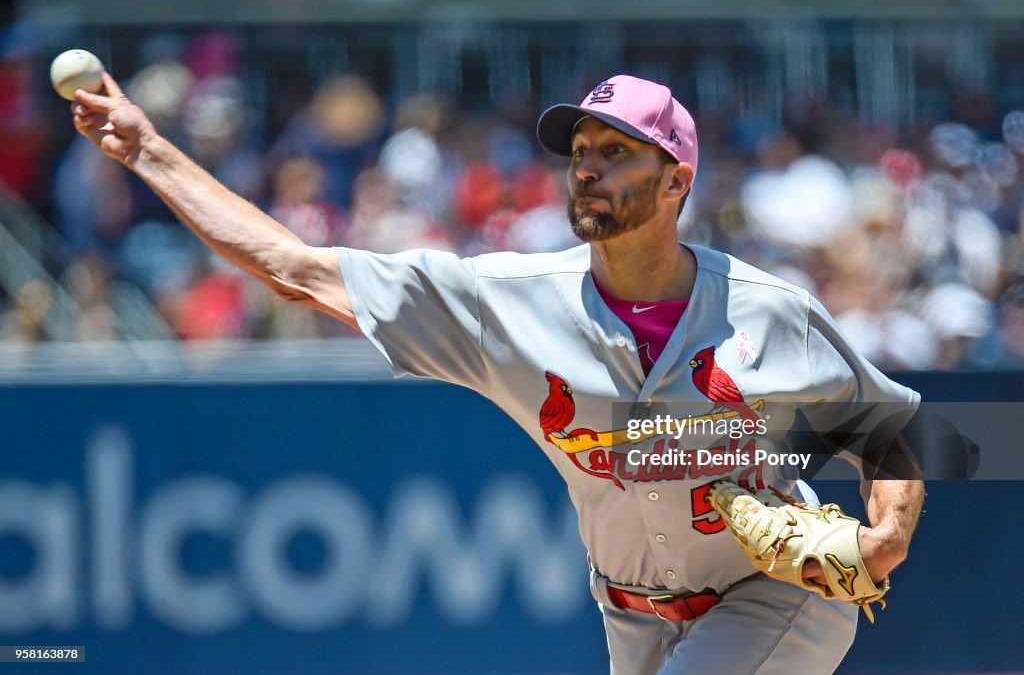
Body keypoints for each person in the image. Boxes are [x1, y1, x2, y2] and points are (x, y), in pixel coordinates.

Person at [71, 72, 924, 674]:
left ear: (676, 181)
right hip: (631, 615)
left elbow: (891, 429)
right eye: (580, 147)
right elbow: (297, 267)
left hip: (775, 592)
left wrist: (885, 534)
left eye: (617, 152)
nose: (586, 164)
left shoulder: (768, 309)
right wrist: (148, 151)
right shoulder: (503, 301)